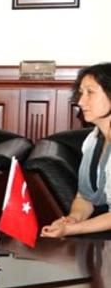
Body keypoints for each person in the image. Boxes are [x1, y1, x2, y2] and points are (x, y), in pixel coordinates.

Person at [41, 63, 111, 239]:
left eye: (90, 92)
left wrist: (71, 230)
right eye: (81, 93)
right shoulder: (92, 140)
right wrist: (72, 219)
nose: (80, 102)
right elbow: (84, 197)